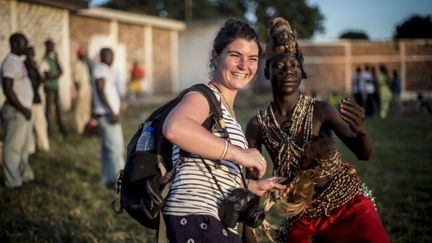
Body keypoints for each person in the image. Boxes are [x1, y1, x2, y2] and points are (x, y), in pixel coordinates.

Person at [245, 17, 390, 243]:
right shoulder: (257, 125)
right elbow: (253, 179)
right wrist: (248, 230)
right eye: (279, 65)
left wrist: (361, 132)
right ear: (266, 72)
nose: (288, 70)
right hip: (300, 213)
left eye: (294, 65)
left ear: (302, 72)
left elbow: (364, 154)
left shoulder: (321, 110)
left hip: (346, 203)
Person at [161, 19, 286, 243]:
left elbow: (205, 168)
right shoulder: (202, 96)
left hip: (210, 220)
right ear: (215, 56)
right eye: (235, 55)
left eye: (252, 59)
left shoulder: (225, 111)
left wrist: (252, 186)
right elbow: (175, 127)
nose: (244, 65)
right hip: (196, 218)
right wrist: (239, 153)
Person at [1, 32, 35, 188]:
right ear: (15, 44)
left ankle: (24, 176)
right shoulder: (9, 63)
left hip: (24, 111)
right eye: (23, 43)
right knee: (12, 147)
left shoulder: (19, 62)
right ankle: (13, 181)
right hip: (16, 111)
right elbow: (8, 89)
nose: (26, 46)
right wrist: (22, 108)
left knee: (22, 147)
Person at [92, 47, 125, 189]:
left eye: (111, 55)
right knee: (116, 148)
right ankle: (122, 183)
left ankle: (108, 179)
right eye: (106, 55)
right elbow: (100, 89)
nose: (109, 57)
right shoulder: (101, 68)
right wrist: (111, 111)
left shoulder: (105, 69)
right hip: (107, 114)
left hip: (105, 113)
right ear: (101, 56)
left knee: (107, 149)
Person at [24, 46, 50, 152]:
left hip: (36, 99)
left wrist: (36, 69)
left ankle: (43, 146)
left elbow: (41, 80)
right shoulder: (23, 66)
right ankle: (30, 149)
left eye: (33, 53)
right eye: (30, 53)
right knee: (28, 127)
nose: (32, 56)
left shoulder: (35, 66)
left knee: (41, 124)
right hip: (27, 101)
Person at [41, 38, 67, 137]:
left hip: (55, 87)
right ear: (47, 47)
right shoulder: (44, 60)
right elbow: (48, 76)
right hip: (49, 88)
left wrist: (57, 59)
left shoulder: (54, 59)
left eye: (53, 45)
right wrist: (56, 74)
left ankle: (62, 130)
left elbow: (61, 70)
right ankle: (49, 132)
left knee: (59, 110)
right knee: (48, 111)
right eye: (51, 46)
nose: (53, 48)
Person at [73, 47, 92, 135]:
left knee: (86, 110)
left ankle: (86, 129)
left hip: (87, 90)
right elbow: (76, 81)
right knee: (80, 112)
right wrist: (78, 92)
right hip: (81, 91)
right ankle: (80, 130)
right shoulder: (77, 65)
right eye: (82, 55)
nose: (84, 56)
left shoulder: (84, 64)